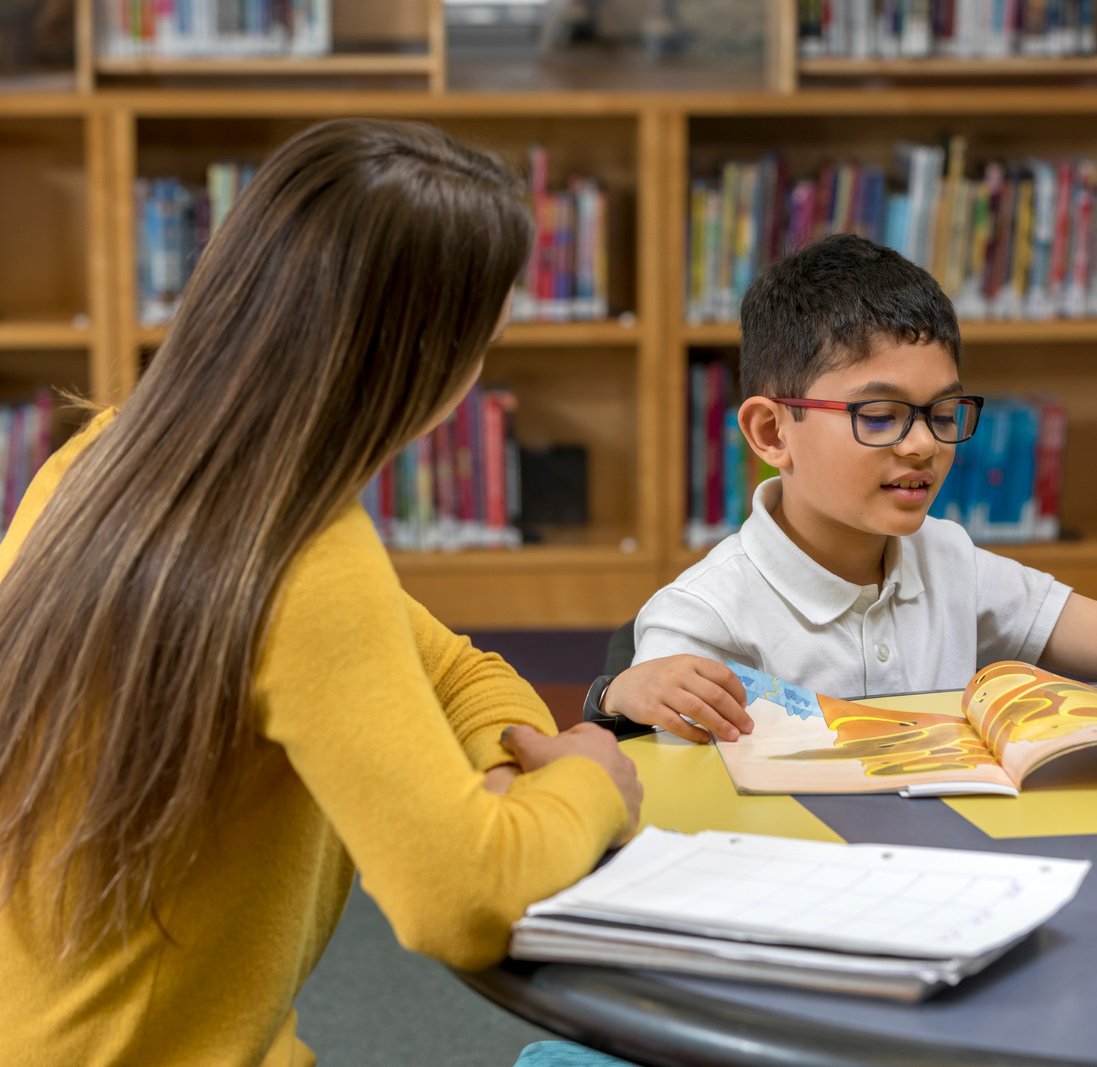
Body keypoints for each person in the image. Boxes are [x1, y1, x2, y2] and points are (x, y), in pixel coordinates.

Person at [0, 118, 642, 1066]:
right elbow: (463, 902)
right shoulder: (303, 558)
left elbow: (451, 667)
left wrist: (506, 765)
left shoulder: (107, 458)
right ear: (420, 360)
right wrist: (593, 776)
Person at [587, 233, 1097, 743]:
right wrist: (621, 695)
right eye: (878, 417)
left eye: (943, 413)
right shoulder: (703, 616)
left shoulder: (952, 560)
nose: (923, 444)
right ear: (772, 433)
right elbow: (657, 776)